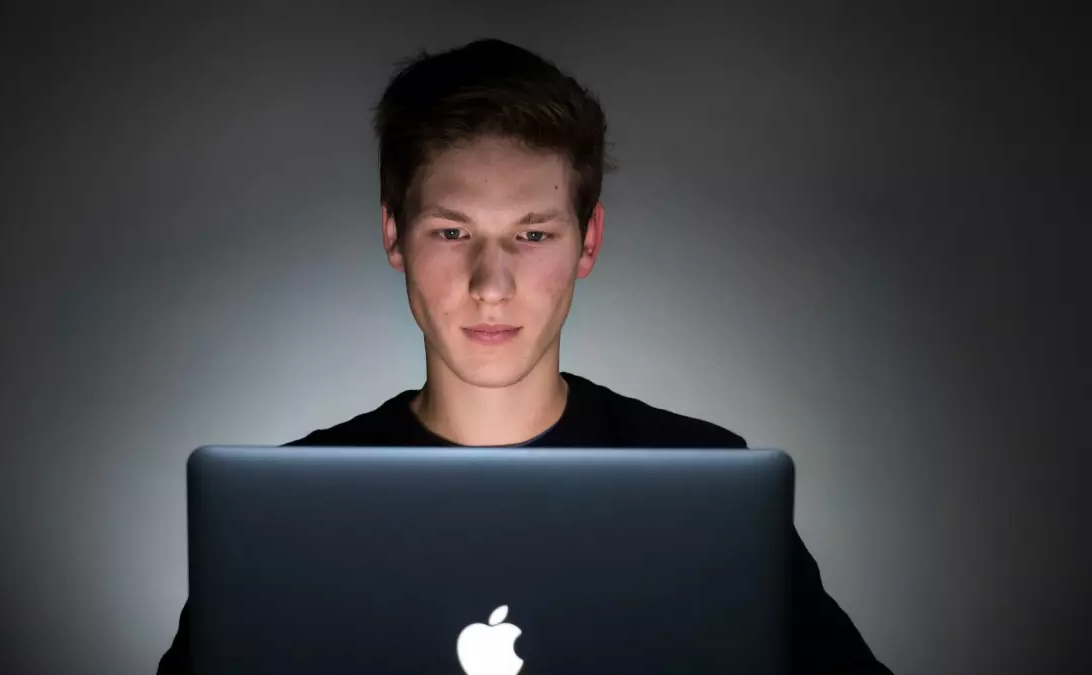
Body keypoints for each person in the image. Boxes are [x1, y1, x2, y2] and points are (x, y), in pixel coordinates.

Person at [157, 38, 893, 674]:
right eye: (452, 232)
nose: (491, 284)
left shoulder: (709, 494)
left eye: (532, 235)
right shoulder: (285, 518)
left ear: (589, 242)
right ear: (394, 235)